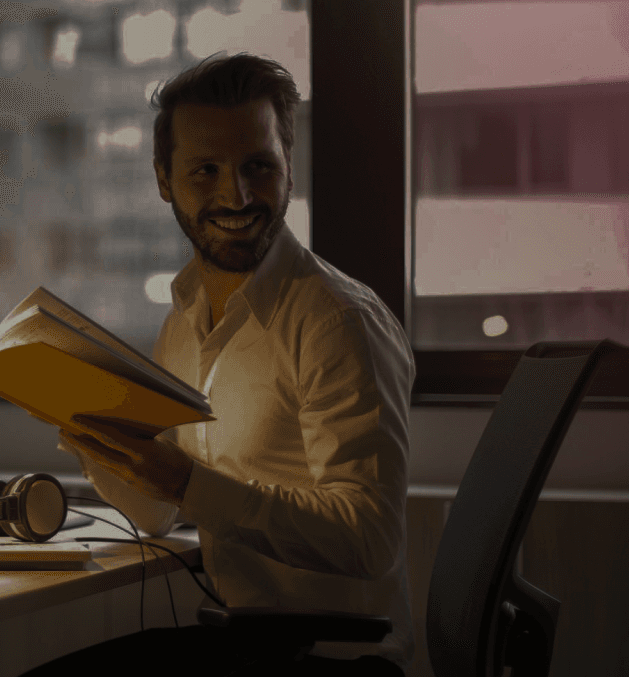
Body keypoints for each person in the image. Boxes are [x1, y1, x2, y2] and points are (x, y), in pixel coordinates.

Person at [24, 53, 415, 676]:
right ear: (163, 180)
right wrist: (95, 438)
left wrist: (187, 483)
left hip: (341, 659)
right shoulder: (184, 315)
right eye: (205, 170)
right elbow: (156, 515)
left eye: (258, 166)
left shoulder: (338, 321)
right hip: (247, 642)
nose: (235, 195)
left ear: (288, 167)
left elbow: (369, 538)